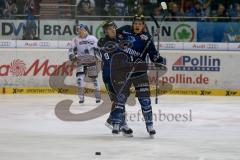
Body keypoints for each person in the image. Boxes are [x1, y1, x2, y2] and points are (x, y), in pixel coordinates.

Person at [109, 14, 166, 137]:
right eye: (135, 23)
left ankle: (150, 125)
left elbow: (153, 56)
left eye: (139, 24)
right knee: (120, 98)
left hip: (139, 72)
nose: (137, 26)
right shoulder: (124, 30)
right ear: (132, 24)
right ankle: (117, 123)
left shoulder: (147, 38)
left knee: (144, 100)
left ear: (143, 25)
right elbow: (112, 36)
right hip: (122, 71)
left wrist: (158, 59)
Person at [97, 20, 133, 137]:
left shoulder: (122, 38)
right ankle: (115, 121)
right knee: (116, 100)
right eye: (108, 29)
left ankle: (120, 123)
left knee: (120, 99)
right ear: (105, 31)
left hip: (121, 75)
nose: (111, 30)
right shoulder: (103, 41)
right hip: (108, 75)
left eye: (113, 27)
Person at [68, 24, 101, 104]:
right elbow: (70, 49)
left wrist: (98, 56)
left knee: (95, 80)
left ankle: (98, 97)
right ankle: (81, 98)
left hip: (91, 62)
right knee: (79, 80)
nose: (79, 31)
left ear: (86, 30)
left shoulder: (93, 38)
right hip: (81, 62)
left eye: (81, 29)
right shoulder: (75, 39)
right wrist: (71, 55)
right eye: (78, 29)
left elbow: (98, 48)